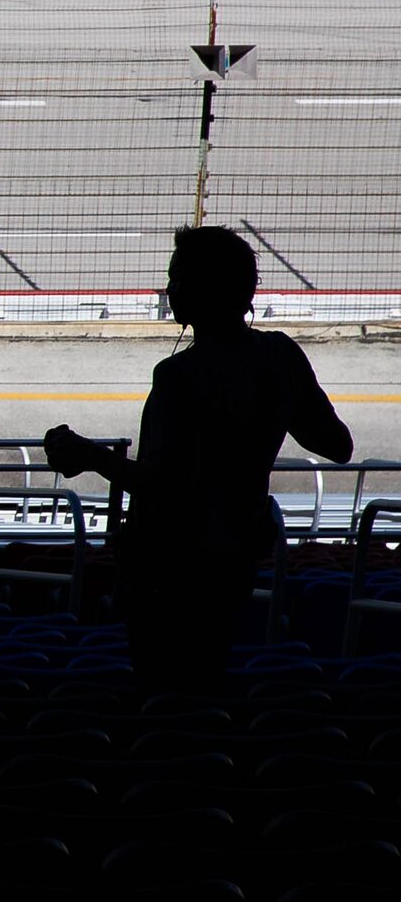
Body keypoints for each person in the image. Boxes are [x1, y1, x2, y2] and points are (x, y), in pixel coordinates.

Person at [45, 227, 350, 691]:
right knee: (208, 674)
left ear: (197, 289)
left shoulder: (178, 375)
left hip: (168, 564)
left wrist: (90, 455)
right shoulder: (280, 357)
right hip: (235, 558)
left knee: (161, 682)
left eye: (177, 278)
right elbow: (336, 444)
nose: (170, 289)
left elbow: (158, 485)